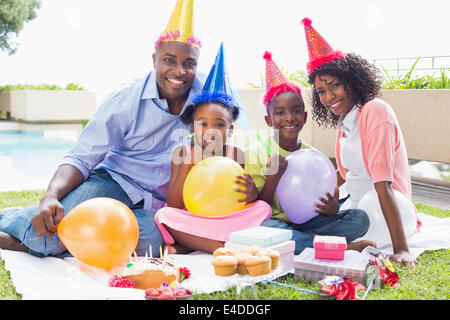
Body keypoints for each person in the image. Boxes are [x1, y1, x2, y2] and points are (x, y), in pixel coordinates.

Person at [0, 0, 205, 258]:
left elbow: (226, 141)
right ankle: (12, 218)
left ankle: (83, 234)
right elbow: (81, 157)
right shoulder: (125, 100)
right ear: (154, 60)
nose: (179, 71)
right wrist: (50, 196)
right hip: (115, 181)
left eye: (189, 63)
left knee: (152, 245)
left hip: (159, 202)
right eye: (169, 60)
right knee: (49, 239)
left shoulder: (207, 98)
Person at [300, 17, 420, 266]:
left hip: (385, 207)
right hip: (357, 207)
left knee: (362, 212)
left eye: (334, 86)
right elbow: (343, 176)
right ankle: (316, 238)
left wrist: (402, 250)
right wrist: (313, 200)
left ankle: (310, 241)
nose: (329, 96)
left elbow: (383, 185)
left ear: (351, 81)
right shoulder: (344, 125)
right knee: (312, 219)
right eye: (322, 91)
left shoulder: (375, 111)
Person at [245, 51, 373, 255]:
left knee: (360, 219)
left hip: (310, 223)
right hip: (275, 224)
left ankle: (307, 242)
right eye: (280, 113)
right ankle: (339, 247)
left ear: (304, 117)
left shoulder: (312, 156)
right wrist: (273, 177)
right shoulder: (256, 153)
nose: (289, 118)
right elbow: (258, 208)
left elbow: (321, 200)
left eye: (296, 111)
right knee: (267, 229)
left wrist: (331, 209)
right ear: (269, 121)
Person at [155, 43, 272, 254]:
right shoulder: (182, 154)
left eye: (219, 124)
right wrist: (188, 164)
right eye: (203, 124)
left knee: (263, 209)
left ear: (230, 130)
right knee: (164, 217)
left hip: (223, 218)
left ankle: (189, 246)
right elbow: (173, 204)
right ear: (192, 127)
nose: (211, 131)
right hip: (192, 216)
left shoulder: (235, 154)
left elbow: (239, 198)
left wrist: (252, 194)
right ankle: (220, 247)